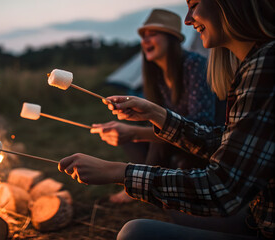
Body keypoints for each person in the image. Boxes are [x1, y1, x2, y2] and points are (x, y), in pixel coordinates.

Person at [59, 0, 274, 239]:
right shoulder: (251, 64)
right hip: (257, 211)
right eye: (144, 36)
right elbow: (231, 142)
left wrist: (118, 172)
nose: (188, 19)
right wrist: (156, 114)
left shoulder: (259, 65)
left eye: (194, 4)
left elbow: (222, 188)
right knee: (172, 209)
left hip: (242, 204)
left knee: (135, 233)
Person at [92, 9, 217, 203]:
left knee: (153, 138)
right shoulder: (156, 74)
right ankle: (153, 176)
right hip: (175, 143)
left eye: (153, 34)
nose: (145, 41)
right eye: (143, 36)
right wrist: (132, 124)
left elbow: (202, 125)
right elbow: (157, 121)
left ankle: (142, 184)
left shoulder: (194, 64)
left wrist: (135, 132)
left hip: (204, 144)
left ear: (171, 39)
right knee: (125, 135)